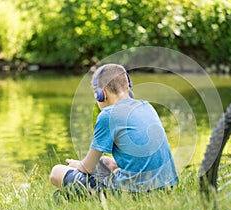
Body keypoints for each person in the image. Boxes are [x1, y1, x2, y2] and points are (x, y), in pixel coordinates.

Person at [49, 64, 178, 196]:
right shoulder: (147, 106)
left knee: (57, 172)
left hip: (133, 192)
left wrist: (76, 164)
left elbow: (87, 167)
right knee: (102, 162)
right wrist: (114, 163)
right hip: (166, 188)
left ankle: (67, 196)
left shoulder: (108, 115)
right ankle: (65, 197)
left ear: (101, 94)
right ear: (128, 86)